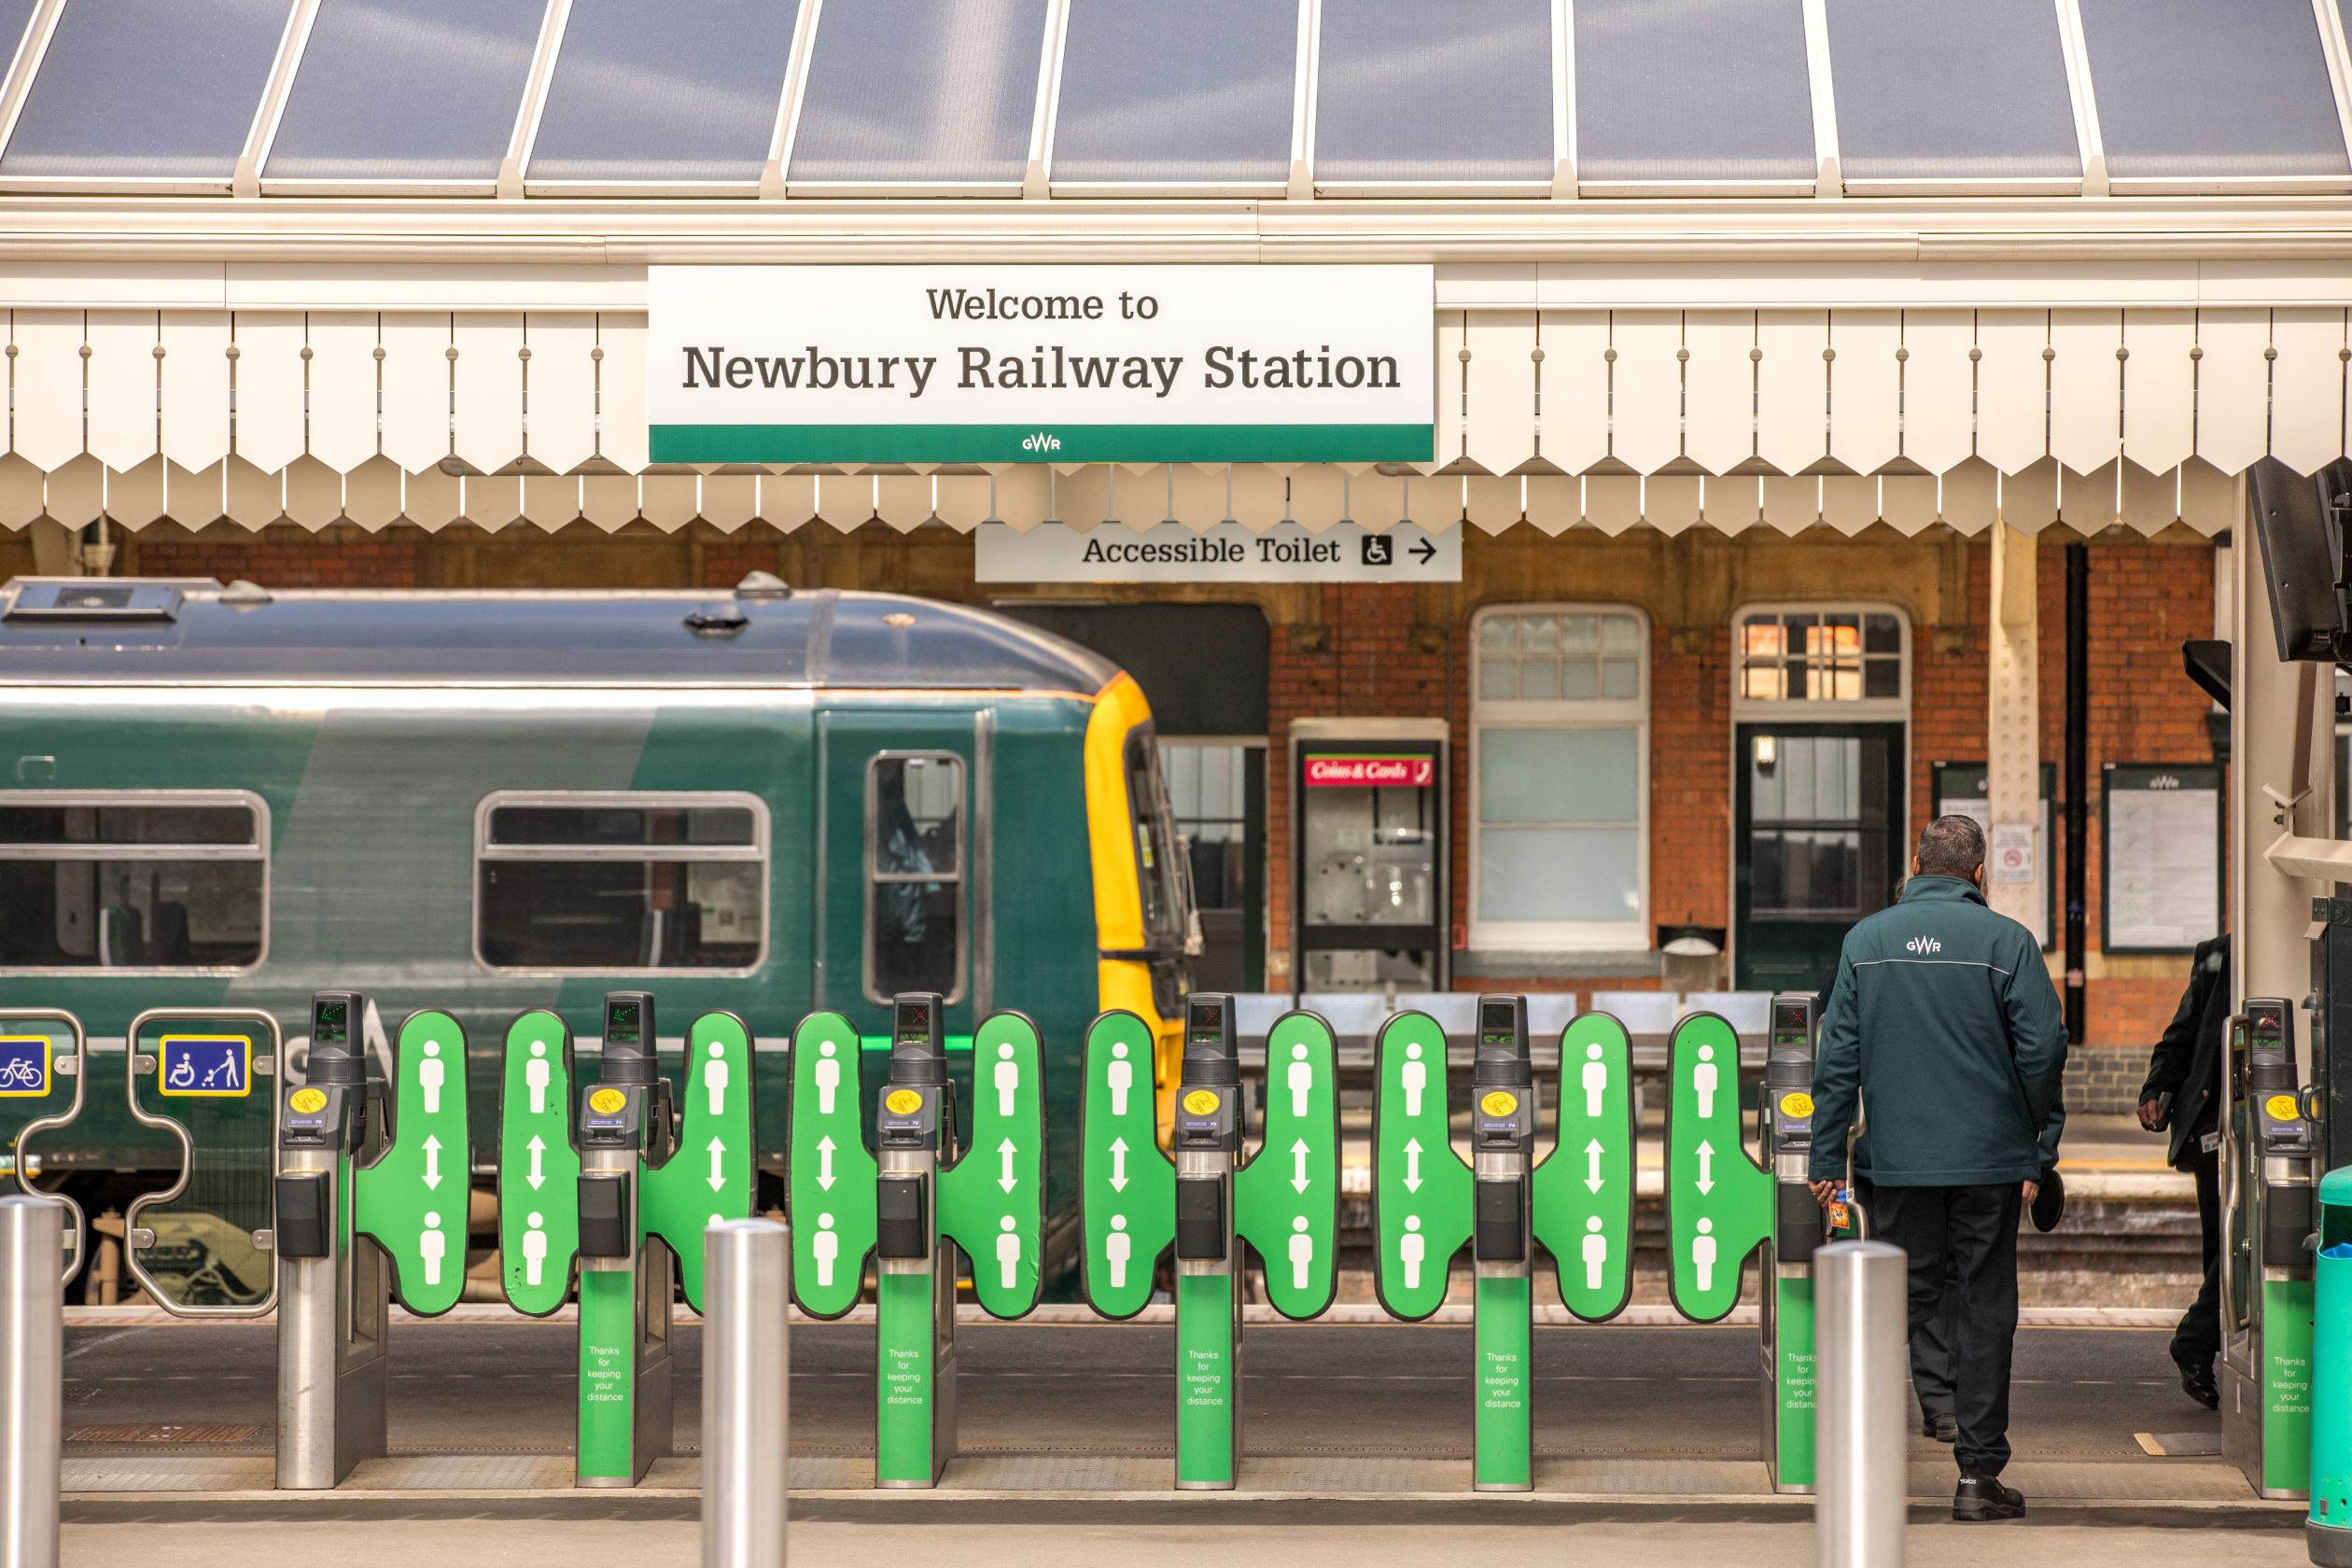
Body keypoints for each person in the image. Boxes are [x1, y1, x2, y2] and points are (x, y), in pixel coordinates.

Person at [1809, 815, 2068, 1523]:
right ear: (1981, 875)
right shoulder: (2008, 943)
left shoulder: (1866, 942)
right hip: (1989, 1164)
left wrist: (1827, 1155)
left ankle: (1852, 1465)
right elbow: (2044, 1049)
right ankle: (1979, 1481)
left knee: (1895, 1302)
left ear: (1914, 866)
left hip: (1896, 1167)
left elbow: (1837, 1062)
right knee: (1985, 1309)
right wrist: (2033, 1142)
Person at [2136, 934, 2230, 1410]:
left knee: (2231, 1250)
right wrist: (2156, 1088)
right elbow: (2182, 1032)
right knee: (2222, 1246)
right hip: (2215, 1129)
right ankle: (2202, 1346)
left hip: (2261, 1127)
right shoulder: (2217, 954)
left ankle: (2196, 1343)